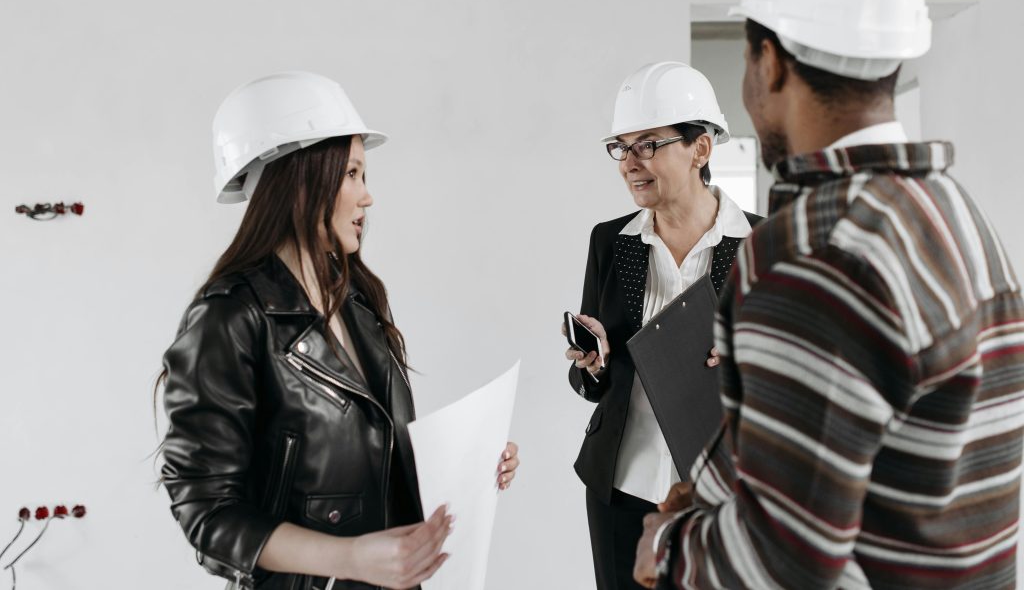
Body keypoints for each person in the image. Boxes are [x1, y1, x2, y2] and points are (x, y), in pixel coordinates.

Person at [634, 0, 1024, 588]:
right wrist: (720, 488)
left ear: (770, 62)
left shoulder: (812, 251)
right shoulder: (958, 214)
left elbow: (782, 565)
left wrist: (670, 547)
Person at [157, 71, 520, 590]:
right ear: (300, 178)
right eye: (352, 174)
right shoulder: (229, 317)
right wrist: (347, 558)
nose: (367, 197)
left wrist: (470, 466)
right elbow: (206, 513)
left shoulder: (357, 300)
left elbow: (374, 459)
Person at [564, 61, 761, 590]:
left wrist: (749, 364)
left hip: (728, 489)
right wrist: (592, 363)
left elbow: (801, 380)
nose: (630, 163)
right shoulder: (610, 241)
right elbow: (592, 386)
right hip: (623, 484)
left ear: (701, 149)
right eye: (621, 147)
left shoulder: (765, 246)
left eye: (648, 144)